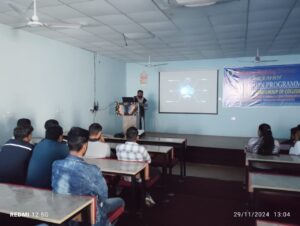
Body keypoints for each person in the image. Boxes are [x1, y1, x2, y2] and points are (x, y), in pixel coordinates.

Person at [52, 127, 124, 226]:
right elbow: (104, 197)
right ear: (85, 146)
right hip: (90, 216)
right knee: (120, 201)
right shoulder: (93, 170)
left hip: (65, 214)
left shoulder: (56, 165)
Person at [116, 126, 155, 206]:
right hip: (138, 177)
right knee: (157, 171)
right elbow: (149, 161)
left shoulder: (118, 147)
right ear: (137, 137)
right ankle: (146, 193)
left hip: (125, 176)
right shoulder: (141, 148)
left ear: (126, 136)